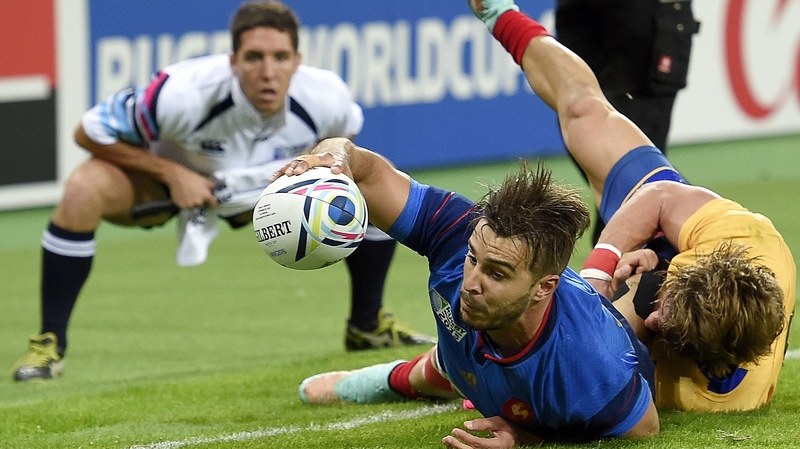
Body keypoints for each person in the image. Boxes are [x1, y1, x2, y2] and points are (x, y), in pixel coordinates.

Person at [11, 0, 433, 382]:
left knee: (373, 180)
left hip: (265, 187)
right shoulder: (180, 92)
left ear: (297, 60)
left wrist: (297, 179)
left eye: (280, 58)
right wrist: (173, 174)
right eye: (254, 58)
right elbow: (89, 131)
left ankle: (367, 323)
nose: (268, 71)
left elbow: (345, 144)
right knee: (84, 188)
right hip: (171, 183)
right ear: (233, 61)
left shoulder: (327, 96)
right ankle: (48, 343)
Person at [555, 0, 700, 243]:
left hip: (645, 12)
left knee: (633, 171)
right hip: (583, 12)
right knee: (577, 114)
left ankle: (713, 244)